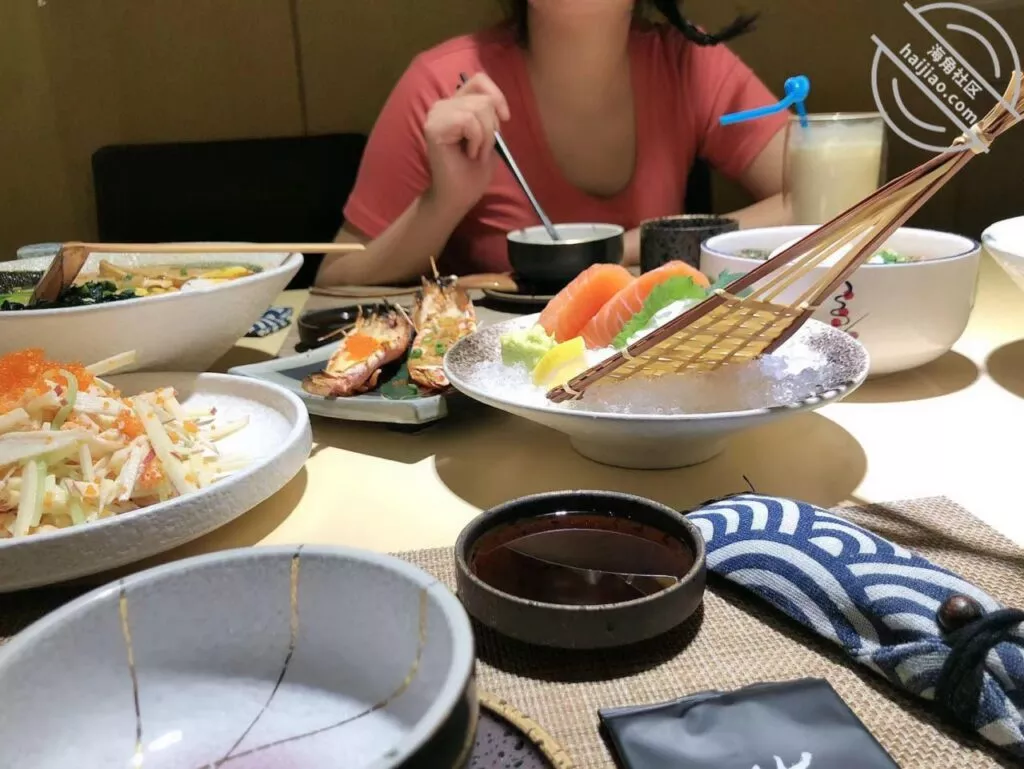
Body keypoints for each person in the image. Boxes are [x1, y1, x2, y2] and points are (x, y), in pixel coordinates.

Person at [317, 0, 789, 287]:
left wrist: (616, 248)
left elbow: (820, 199)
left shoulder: (687, 62)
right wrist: (443, 202)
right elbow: (336, 280)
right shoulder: (444, 85)